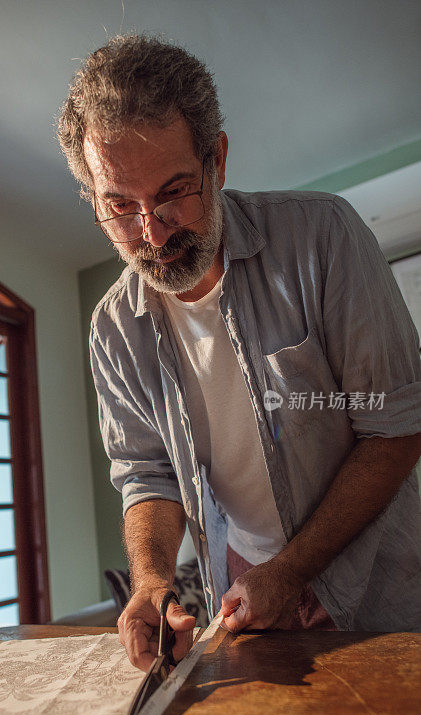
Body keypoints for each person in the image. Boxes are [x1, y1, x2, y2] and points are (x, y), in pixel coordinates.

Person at [57, 34, 421, 671]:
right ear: (95, 199)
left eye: (174, 192)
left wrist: (292, 571)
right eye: (120, 206)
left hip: (382, 588)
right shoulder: (113, 329)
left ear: (216, 161)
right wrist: (150, 583)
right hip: (250, 597)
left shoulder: (323, 237)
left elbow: (394, 427)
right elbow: (147, 476)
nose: (151, 231)